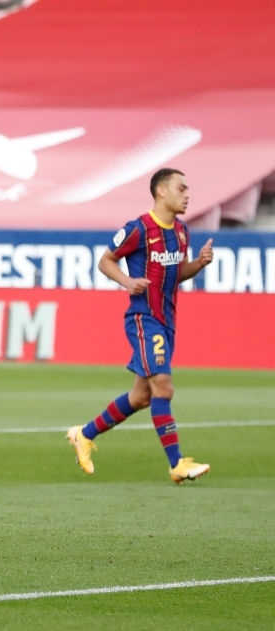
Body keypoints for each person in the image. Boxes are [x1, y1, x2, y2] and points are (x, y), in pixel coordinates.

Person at [66, 168, 214, 483]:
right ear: (161, 191)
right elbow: (105, 260)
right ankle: (177, 464)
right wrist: (127, 281)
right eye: (181, 188)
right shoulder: (139, 229)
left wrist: (197, 265)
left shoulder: (182, 232)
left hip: (168, 320)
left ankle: (84, 434)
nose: (187, 194)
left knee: (142, 396)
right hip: (144, 319)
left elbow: (175, 273)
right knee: (164, 386)